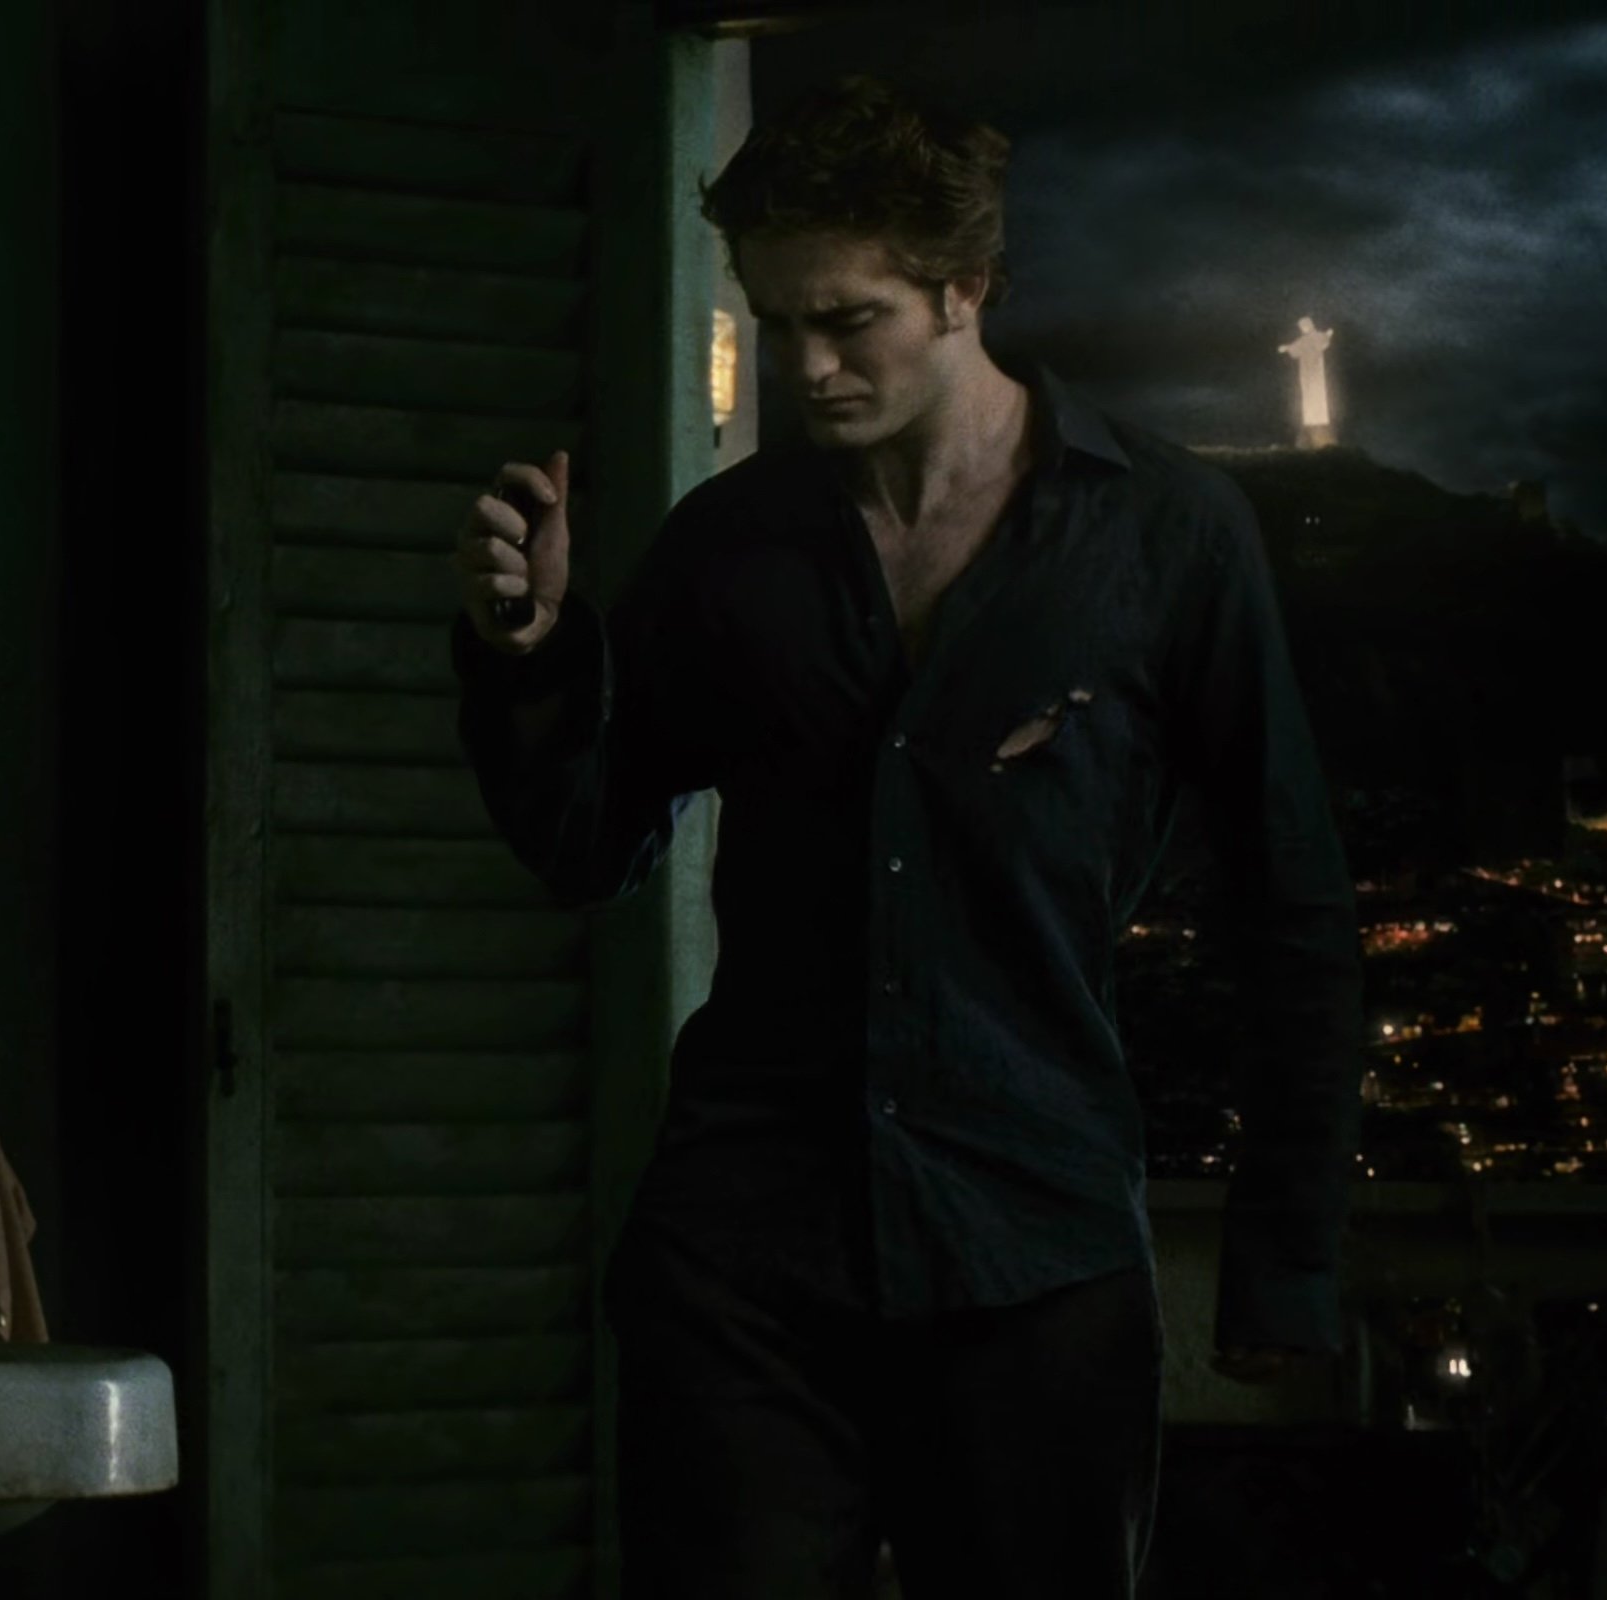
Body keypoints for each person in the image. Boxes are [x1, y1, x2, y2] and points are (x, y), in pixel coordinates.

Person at [446, 74, 1364, 1598]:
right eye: (775, 322)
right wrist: (532, 655)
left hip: (1036, 1254)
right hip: (741, 1263)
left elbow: (1294, 909)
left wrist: (1288, 1256)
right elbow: (588, 846)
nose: (804, 367)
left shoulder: (1167, 536)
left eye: (847, 320)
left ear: (966, 288)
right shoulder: (728, 544)